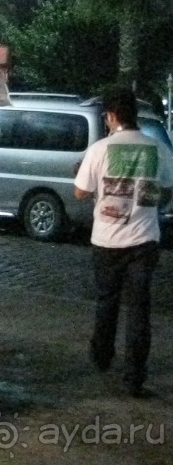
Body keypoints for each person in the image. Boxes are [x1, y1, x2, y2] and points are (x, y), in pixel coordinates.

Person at [74, 85, 173, 397]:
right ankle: (134, 377)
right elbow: (168, 190)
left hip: (106, 239)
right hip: (145, 240)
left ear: (112, 115)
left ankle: (102, 355)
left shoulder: (100, 149)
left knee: (107, 301)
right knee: (139, 309)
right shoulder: (158, 149)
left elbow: (80, 191)